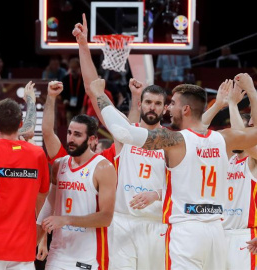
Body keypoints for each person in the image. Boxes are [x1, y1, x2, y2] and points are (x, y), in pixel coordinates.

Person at [90, 75, 257, 269]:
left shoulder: (174, 140)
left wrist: (99, 95)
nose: (169, 108)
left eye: (173, 104)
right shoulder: (223, 139)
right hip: (216, 232)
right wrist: (252, 92)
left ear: (185, 109)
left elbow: (123, 132)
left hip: (186, 231)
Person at [73, 14, 168, 270]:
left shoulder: (172, 141)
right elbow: (95, 92)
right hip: (123, 222)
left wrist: (157, 194)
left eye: (158, 104)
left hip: (157, 223)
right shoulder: (126, 133)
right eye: (148, 102)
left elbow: (182, 183)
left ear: (165, 109)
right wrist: (83, 46)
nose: (152, 107)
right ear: (140, 103)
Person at [36, 113, 117, 270]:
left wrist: (66, 220)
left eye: (78, 135)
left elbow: (106, 218)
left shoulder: (103, 168)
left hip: (89, 257)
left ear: (92, 139)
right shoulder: (59, 165)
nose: (71, 139)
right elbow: (49, 205)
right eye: (69, 133)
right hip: (58, 253)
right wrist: (39, 239)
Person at [0, 98, 49, 270]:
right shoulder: (37, 155)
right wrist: (42, 237)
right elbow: (43, 201)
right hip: (24, 249)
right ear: (20, 123)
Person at [203, 74, 257, 269]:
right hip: (218, 233)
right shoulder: (225, 158)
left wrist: (235, 104)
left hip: (244, 237)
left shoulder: (252, 160)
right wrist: (218, 105)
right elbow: (197, 133)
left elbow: (244, 138)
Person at [61, 57, 85, 125]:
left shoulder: (83, 79)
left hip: (81, 107)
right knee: (70, 126)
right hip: (69, 107)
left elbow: (85, 93)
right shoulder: (66, 79)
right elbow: (63, 91)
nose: (74, 70)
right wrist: (65, 100)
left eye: (75, 67)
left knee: (81, 125)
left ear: (79, 68)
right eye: (72, 67)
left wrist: (83, 105)